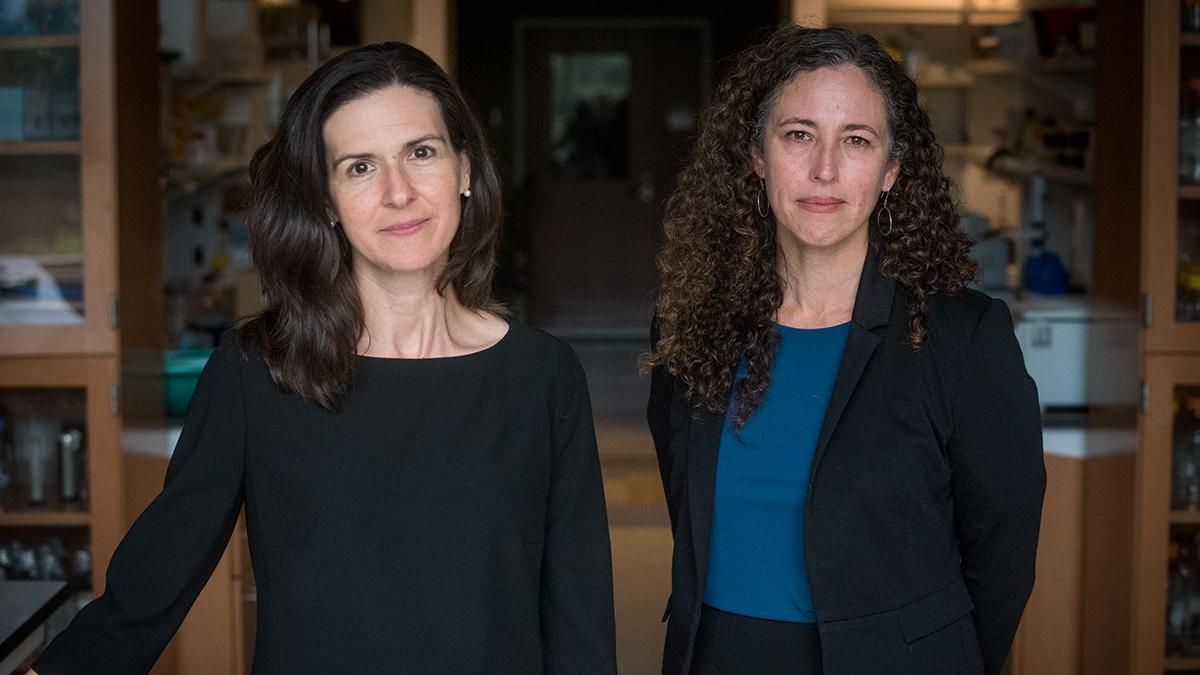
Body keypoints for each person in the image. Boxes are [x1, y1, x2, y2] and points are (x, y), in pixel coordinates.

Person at [31, 42, 616, 674]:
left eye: (421, 153)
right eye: (359, 168)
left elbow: (579, 617)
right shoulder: (256, 372)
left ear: (465, 170)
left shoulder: (542, 376)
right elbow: (152, 585)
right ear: (325, 202)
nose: (399, 193)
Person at [645, 24, 1045, 675]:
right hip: (720, 654)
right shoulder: (691, 323)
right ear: (756, 154)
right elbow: (684, 499)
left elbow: (1001, 553)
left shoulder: (963, 338)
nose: (824, 169)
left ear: (891, 169)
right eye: (798, 135)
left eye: (855, 140)